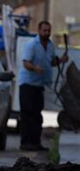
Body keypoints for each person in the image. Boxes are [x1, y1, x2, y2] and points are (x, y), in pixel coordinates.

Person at [18, 20, 68, 151]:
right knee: (28, 114)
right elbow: (26, 63)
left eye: (48, 31)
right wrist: (35, 68)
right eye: (44, 30)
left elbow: (51, 62)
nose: (46, 33)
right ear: (39, 31)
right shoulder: (32, 45)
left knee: (37, 114)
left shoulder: (50, 46)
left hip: (40, 85)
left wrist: (61, 60)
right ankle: (25, 142)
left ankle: (35, 142)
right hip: (27, 84)